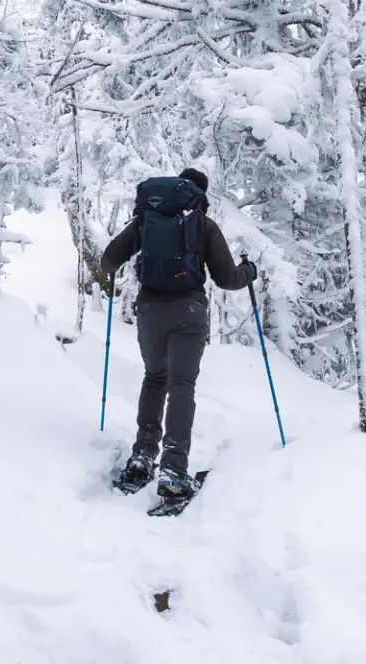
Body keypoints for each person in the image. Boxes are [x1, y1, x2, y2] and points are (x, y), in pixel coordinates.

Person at [99, 167, 257, 499]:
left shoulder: (147, 220)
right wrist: (249, 272)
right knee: (181, 386)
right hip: (188, 311)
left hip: (149, 311)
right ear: (201, 196)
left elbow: (109, 260)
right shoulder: (203, 225)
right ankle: (173, 468)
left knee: (155, 377)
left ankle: (142, 457)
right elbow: (227, 278)